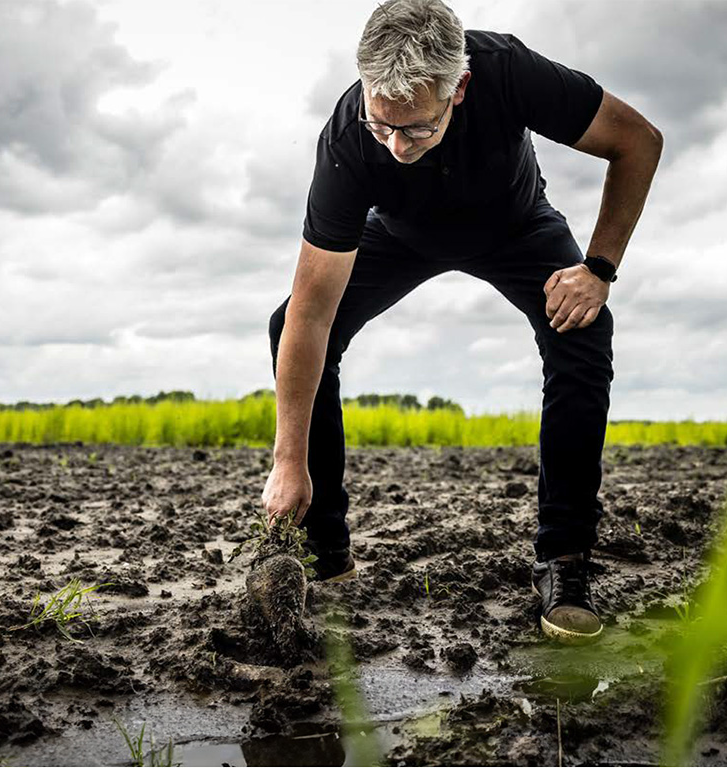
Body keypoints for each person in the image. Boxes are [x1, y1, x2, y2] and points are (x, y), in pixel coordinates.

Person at [262, 0, 662, 644]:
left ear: (460, 88)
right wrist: (288, 461)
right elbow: (311, 311)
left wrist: (599, 268)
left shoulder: (508, 72)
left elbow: (638, 141)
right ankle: (325, 551)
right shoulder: (346, 141)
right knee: (289, 325)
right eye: (380, 125)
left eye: (416, 129)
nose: (396, 149)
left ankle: (564, 564)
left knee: (583, 332)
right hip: (400, 237)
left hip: (516, 228)